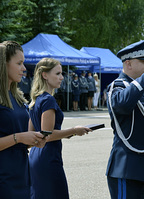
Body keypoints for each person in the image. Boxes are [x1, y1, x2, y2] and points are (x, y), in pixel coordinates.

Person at [106, 39, 144, 199]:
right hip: (129, 170)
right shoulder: (118, 86)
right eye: (143, 61)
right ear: (128, 64)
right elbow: (122, 105)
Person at [28, 58, 91, 199]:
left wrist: (67, 134)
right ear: (45, 75)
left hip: (35, 156)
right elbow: (47, 135)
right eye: (57, 74)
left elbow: (32, 133)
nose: (62, 77)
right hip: (48, 157)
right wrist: (74, 130)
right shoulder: (48, 100)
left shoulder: (36, 99)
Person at [0, 41, 46, 199]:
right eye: (19, 63)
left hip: (21, 173)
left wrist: (31, 140)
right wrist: (19, 137)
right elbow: (15, 136)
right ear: (3, 64)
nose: (24, 68)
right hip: (4, 178)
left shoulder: (16, 97)